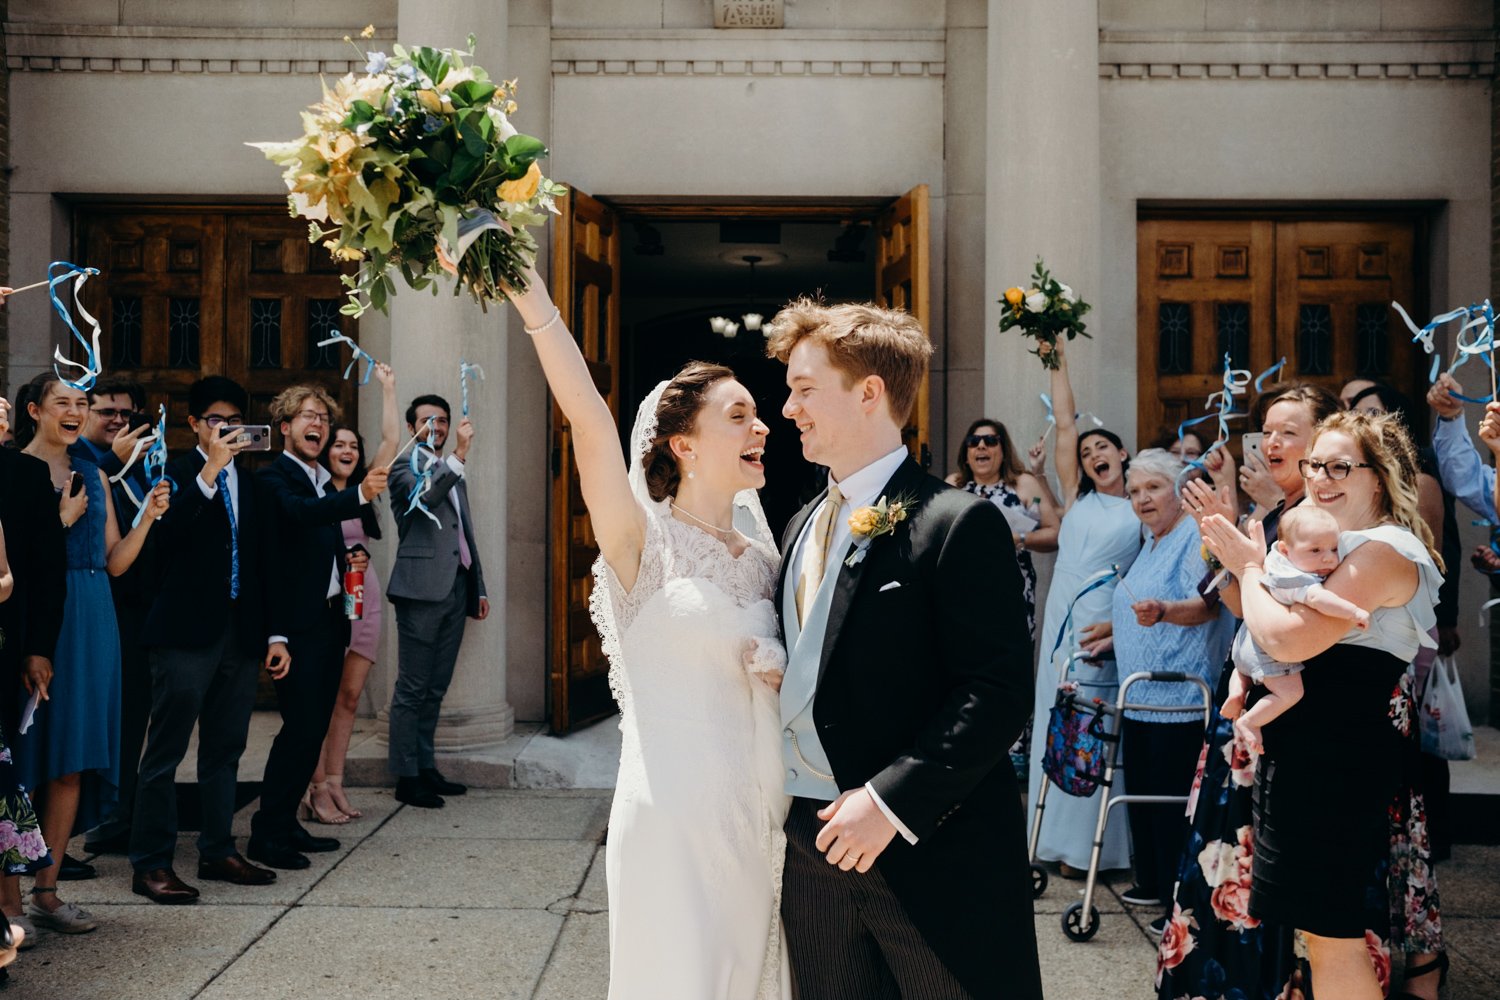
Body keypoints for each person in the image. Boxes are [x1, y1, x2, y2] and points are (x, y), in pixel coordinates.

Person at [509, 267, 790, 999]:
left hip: (754, 817)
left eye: (758, 413)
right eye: (738, 416)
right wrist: (530, 298)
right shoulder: (642, 544)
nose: (762, 427)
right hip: (668, 815)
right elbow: (590, 422)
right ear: (684, 446)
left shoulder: (770, 562)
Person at [768, 298, 1041, 1000]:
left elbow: (997, 691)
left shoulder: (958, 523)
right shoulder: (801, 523)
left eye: (804, 389)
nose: (788, 409)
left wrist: (889, 804)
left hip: (932, 849)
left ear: (869, 393)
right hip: (811, 848)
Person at [1201, 410, 1442, 1000]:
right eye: (1316, 465)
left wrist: (1251, 566)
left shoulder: (1385, 551)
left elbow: (1284, 637)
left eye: (1341, 466)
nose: (1321, 478)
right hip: (1304, 758)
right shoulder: (1333, 542)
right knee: (1316, 933)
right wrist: (1238, 561)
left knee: (1332, 936)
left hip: (1337, 763)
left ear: (1378, 478)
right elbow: (1254, 617)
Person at [1161, 380, 1343, 1000]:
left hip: (1300, 695)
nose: (1273, 442)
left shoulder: (1326, 524)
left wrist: (1257, 530)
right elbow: (1238, 605)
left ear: (1323, 444)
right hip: (1251, 691)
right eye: (1266, 431)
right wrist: (1220, 532)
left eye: (1290, 431)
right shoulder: (1262, 514)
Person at [13, 373, 169, 934]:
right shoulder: (12, 471)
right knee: (25, 762)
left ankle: (46, 894)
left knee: (73, 761)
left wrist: (148, 516)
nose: (76, 411)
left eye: (82, 403)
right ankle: (8, 904)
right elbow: (16, 565)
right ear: (35, 410)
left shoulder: (94, 475)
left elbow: (116, 561)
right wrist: (60, 522)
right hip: (40, 618)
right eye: (65, 403)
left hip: (95, 615)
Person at [128, 376, 287, 904]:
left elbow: (264, 563)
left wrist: (274, 634)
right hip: (184, 633)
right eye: (216, 420)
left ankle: (218, 850)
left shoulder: (254, 480)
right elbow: (167, 540)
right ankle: (151, 863)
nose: (226, 429)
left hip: (239, 636)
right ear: (193, 424)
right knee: (167, 750)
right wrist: (210, 470)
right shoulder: (173, 473)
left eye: (233, 421)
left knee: (226, 749)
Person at [247, 385, 386, 870]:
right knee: (299, 731)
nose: (319, 425)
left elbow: (315, 541)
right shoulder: (273, 479)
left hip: (329, 621)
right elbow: (296, 520)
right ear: (285, 427)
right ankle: (267, 833)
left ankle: (286, 823)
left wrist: (349, 558)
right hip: (294, 629)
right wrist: (276, 635)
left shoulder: (322, 481)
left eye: (324, 418)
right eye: (309, 416)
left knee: (312, 733)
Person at [1101, 449, 1232, 931]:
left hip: (1179, 695)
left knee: (1172, 803)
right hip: (1139, 697)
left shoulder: (1190, 537)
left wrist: (1162, 612)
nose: (1142, 499)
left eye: (1153, 488)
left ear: (1178, 489)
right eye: (1134, 491)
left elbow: (1208, 605)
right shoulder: (1152, 540)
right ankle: (1153, 883)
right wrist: (1110, 633)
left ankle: (1178, 902)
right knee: (1143, 796)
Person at [1024, 343, 1141, 879]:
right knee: (1055, 717)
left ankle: (1093, 848)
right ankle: (1049, 839)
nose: (1093, 451)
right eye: (1088, 448)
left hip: (1100, 621)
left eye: (1104, 447)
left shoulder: (1141, 506)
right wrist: (1057, 360)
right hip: (1059, 617)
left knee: (1091, 724)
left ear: (1122, 456)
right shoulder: (1075, 495)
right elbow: (1065, 423)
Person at [385, 391, 486, 809]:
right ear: (412, 428)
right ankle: (406, 777)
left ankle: (426, 767)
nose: (437, 427)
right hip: (420, 591)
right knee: (412, 687)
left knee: (434, 688)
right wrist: (459, 457)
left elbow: (464, 531)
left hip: (455, 588)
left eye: (442, 420)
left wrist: (477, 586)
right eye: (427, 421)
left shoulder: (451, 471)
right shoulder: (402, 468)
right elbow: (422, 500)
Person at [307, 364, 398, 824]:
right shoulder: (315, 488)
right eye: (338, 444)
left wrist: (388, 389)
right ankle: (315, 786)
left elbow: (390, 441)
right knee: (322, 695)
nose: (346, 450)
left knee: (349, 696)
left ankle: (336, 784)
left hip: (363, 596)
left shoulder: (365, 488)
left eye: (352, 446)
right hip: (327, 597)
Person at [73, 377, 155, 860]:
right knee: (94, 726)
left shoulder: (140, 464)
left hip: (140, 617)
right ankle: (91, 829)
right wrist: (113, 462)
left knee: (129, 724)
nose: (117, 420)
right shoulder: (82, 461)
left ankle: (117, 818)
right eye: (106, 411)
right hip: (94, 613)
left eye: (126, 412)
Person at [1224, 504, 1370, 754]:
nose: (1327, 558)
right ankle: (1251, 720)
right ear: (1286, 549)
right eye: (1315, 550)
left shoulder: (1275, 561)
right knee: (1290, 693)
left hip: (1244, 642)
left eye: (1334, 549)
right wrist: (1352, 611)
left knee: (1243, 670)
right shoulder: (1296, 577)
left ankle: (1237, 691)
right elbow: (1318, 600)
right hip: (1265, 650)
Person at [0, 395, 65, 947]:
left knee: (3, 774)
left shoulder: (25, 473)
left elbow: (44, 570)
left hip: (6, 641)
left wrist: (38, 647)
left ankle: (7, 902)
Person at [945, 417, 1059, 636]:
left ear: (1003, 451)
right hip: (963, 589)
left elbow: (1055, 533)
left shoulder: (1022, 484)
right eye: (974, 441)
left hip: (1012, 588)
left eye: (990, 440)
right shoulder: (954, 484)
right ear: (966, 455)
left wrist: (1020, 538)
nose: (981, 445)